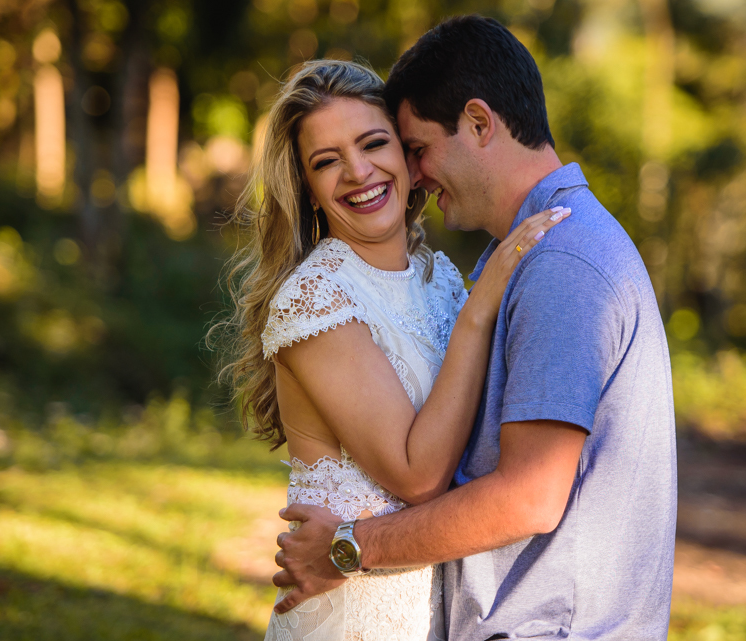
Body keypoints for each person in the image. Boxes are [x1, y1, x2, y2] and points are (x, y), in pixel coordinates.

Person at [272, 15, 678, 641]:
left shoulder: (556, 262)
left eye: (411, 149)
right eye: (329, 160)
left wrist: (347, 547)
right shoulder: (505, 259)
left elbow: (529, 496)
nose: (409, 172)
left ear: (480, 123)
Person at [218, 58, 569, 640]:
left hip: (436, 607)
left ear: (409, 156)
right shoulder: (315, 298)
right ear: (306, 188)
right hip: (352, 615)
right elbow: (418, 476)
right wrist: (480, 312)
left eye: (373, 143)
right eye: (326, 162)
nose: (357, 172)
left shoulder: (439, 282)